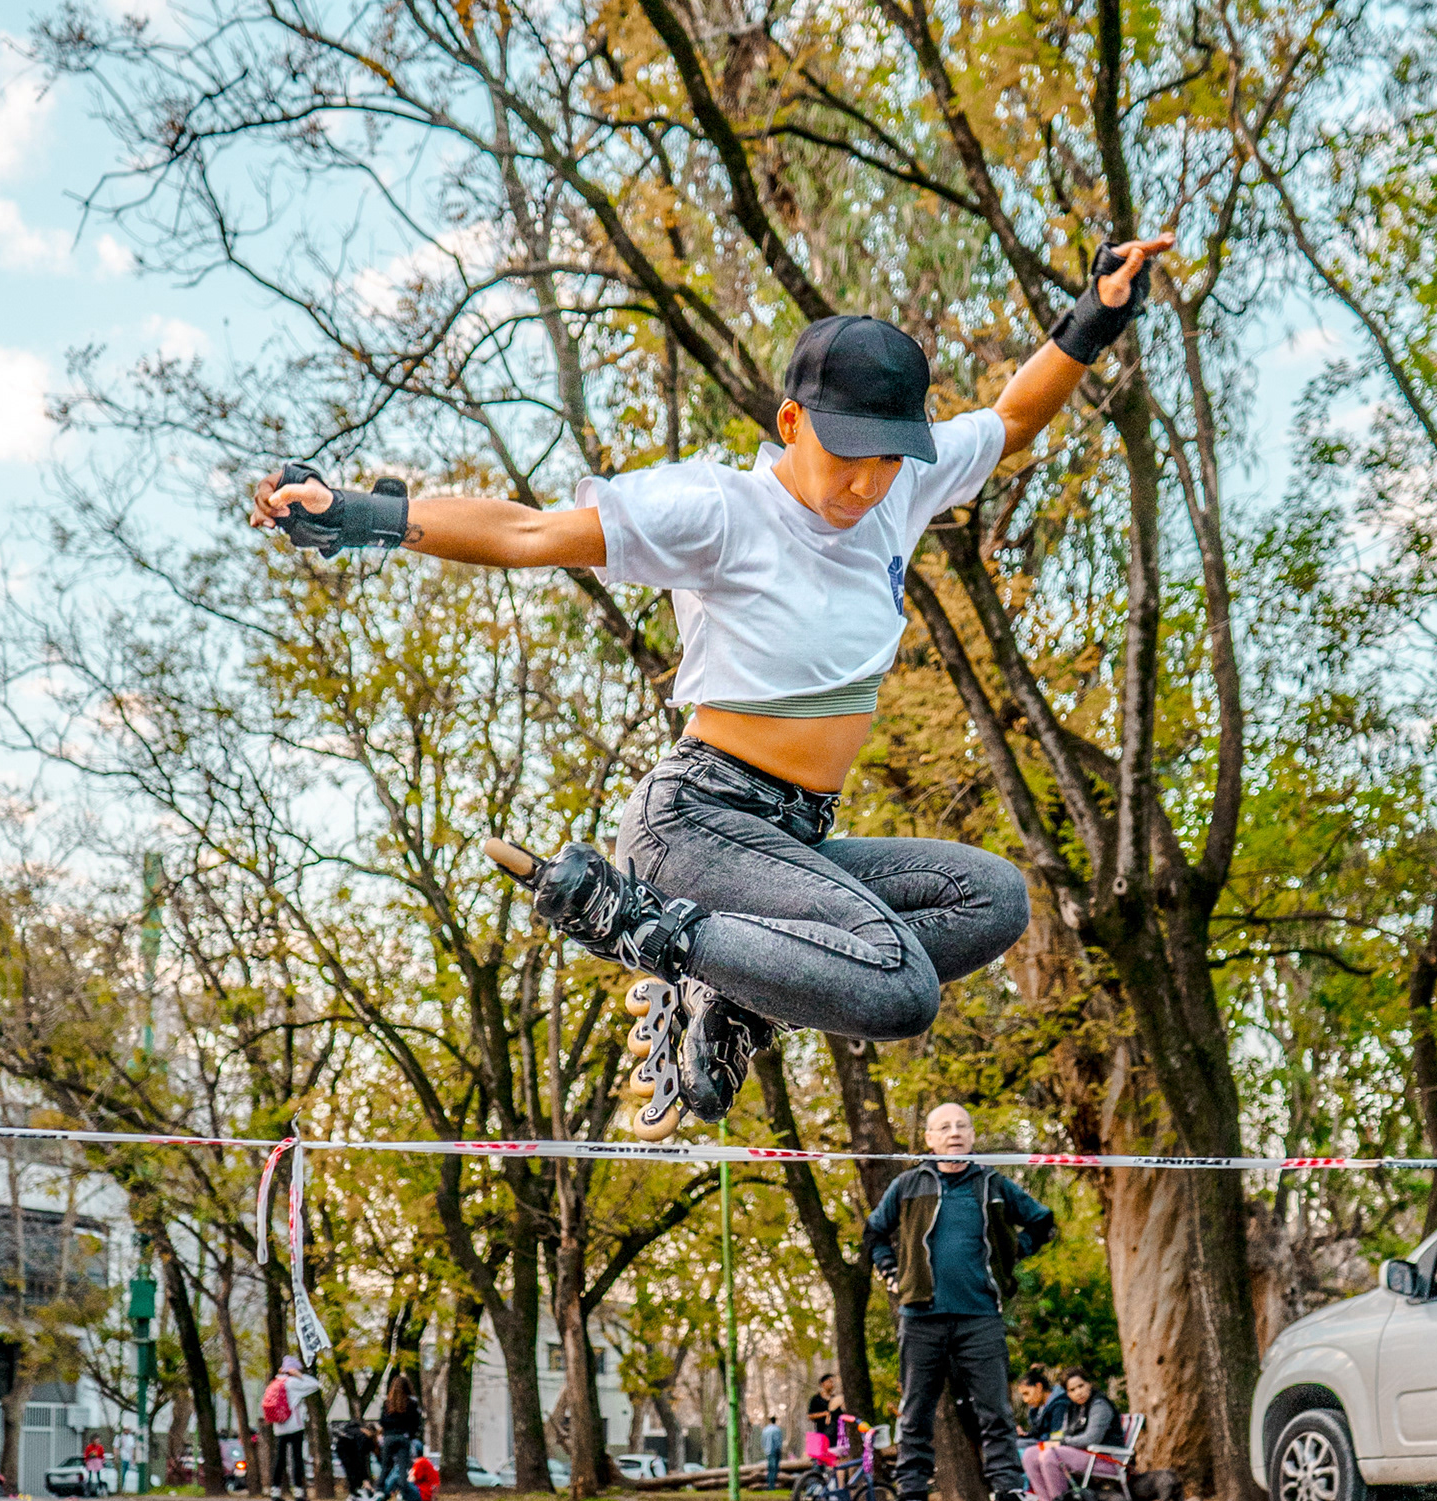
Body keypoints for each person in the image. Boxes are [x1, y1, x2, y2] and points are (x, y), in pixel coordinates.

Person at [250, 230, 1172, 1141]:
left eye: (888, 457)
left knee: (993, 900)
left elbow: (1011, 421)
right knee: (900, 988)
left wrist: (1097, 313)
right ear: (791, 423)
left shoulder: (900, 493)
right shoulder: (718, 513)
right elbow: (528, 533)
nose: (865, 484)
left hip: (790, 841)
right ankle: (639, 924)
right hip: (696, 827)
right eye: (846, 454)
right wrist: (357, 514)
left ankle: (733, 992)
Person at [865, 1103, 1057, 1501]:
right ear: (930, 1139)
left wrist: (1009, 1255)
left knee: (995, 1411)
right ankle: (912, 1490)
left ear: (971, 1135)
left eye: (961, 1126)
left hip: (980, 1316)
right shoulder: (908, 1184)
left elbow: (1042, 1222)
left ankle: (1007, 1488)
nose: (954, 1133)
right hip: (921, 1316)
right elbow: (874, 1232)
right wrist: (890, 1273)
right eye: (944, 1127)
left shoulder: (993, 1184)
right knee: (916, 1412)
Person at [1022, 1370, 1122, 1501]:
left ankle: (1060, 1498)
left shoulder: (1099, 1405)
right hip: (1081, 1455)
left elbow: (1091, 1438)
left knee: (1050, 1456)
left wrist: (1062, 1442)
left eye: (1081, 1386)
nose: (1078, 1392)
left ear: (1089, 1384)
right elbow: (1063, 1433)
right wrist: (1053, 1442)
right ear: (1067, 1393)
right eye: (1072, 1390)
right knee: (1030, 1454)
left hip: (1106, 1459)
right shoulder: (1072, 1407)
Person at [267, 1355, 323, 1501]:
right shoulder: (293, 1383)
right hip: (294, 1426)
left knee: (280, 1459)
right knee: (297, 1458)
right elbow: (315, 1385)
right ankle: (298, 1491)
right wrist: (300, 1375)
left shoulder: (275, 1383)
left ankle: (275, 1491)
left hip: (279, 1427)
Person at [377, 1373, 422, 1501]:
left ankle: (380, 1490)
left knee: (385, 1467)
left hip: (389, 1438)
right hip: (403, 1437)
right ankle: (403, 1491)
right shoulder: (411, 1404)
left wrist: (388, 1432)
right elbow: (416, 1424)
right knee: (403, 1468)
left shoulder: (387, 1403)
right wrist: (409, 1435)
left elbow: (382, 1422)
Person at [1015, 1369, 1072, 1449]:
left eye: (1026, 1393)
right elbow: (1037, 1433)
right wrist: (1025, 1434)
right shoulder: (1037, 1408)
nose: (1025, 1400)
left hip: (1055, 1446)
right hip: (1044, 1443)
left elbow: (1056, 1437)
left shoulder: (1060, 1405)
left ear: (1039, 1387)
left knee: (1018, 1445)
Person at [805, 1374, 845, 1466]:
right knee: (822, 1460)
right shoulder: (816, 1399)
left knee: (835, 1459)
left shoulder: (836, 1399)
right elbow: (810, 1416)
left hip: (836, 1435)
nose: (832, 1384)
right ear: (822, 1384)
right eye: (829, 1381)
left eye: (833, 1382)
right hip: (822, 1434)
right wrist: (824, 1414)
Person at [334, 1418, 376, 1499]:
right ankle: (357, 1490)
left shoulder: (352, 1430)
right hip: (349, 1451)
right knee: (355, 1469)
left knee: (350, 1470)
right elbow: (361, 1458)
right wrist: (365, 1479)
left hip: (341, 1449)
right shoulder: (363, 1437)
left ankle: (354, 1490)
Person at [761, 1415, 785, 1490]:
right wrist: (780, 1449)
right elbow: (778, 1441)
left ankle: (768, 1483)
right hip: (775, 1451)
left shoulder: (765, 1429)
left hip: (767, 1451)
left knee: (770, 1468)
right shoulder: (777, 1429)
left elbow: (763, 1441)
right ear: (775, 1421)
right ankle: (772, 1485)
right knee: (774, 1468)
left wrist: (764, 1448)